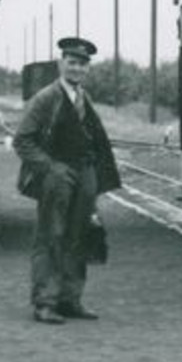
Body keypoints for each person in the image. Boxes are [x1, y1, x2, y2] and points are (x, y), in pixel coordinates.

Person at [13, 36, 121, 324]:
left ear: (88, 69)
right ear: (61, 64)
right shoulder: (46, 97)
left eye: (82, 65)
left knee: (78, 236)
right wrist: (50, 167)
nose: (77, 69)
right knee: (51, 236)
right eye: (72, 63)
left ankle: (71, 299)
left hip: (83, 176)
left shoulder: (83, 97)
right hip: (56, 178)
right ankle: (45, 302)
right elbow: (23, 140)